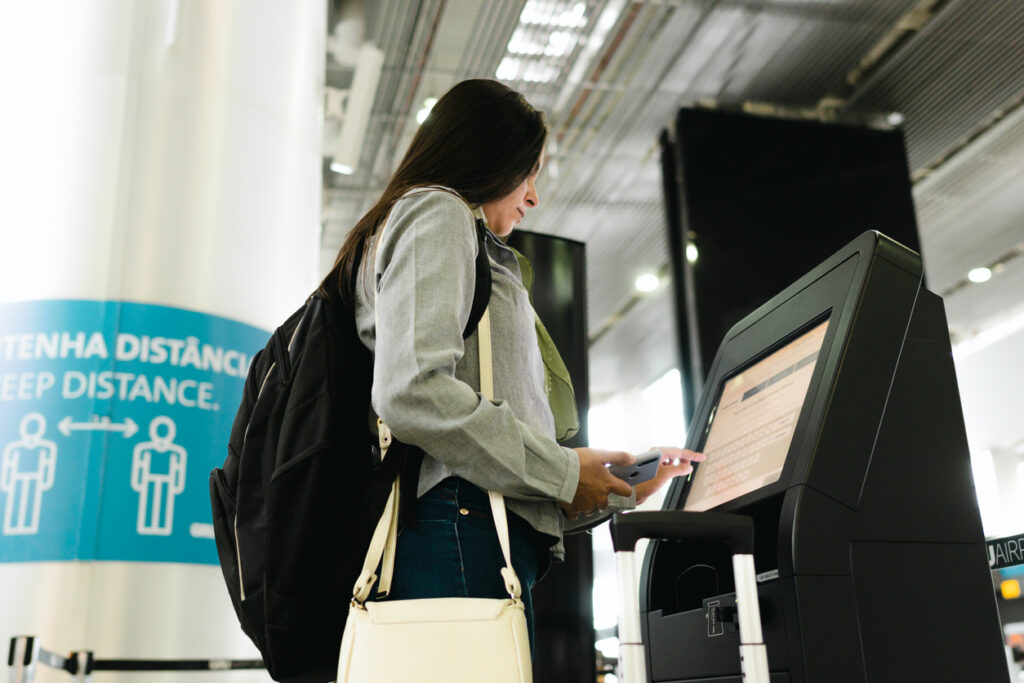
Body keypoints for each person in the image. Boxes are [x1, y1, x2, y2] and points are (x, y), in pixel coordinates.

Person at [319, 79, 704, 650]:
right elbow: (413, 392)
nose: (533, 196)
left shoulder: (435, 227)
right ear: (488, 156)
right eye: (529, 172)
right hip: (459, 531)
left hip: (465, 531)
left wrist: (590, 482)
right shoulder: (439, 212)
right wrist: (566, 473)